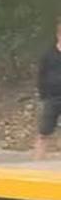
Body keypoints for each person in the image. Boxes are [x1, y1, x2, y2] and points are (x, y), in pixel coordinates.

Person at [34, 18, 61, 160]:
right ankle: (35, 167)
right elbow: (41, 76)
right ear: (58, 35)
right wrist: (43, 96)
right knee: (44, 133)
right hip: (52, 99)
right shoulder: (48, 55)